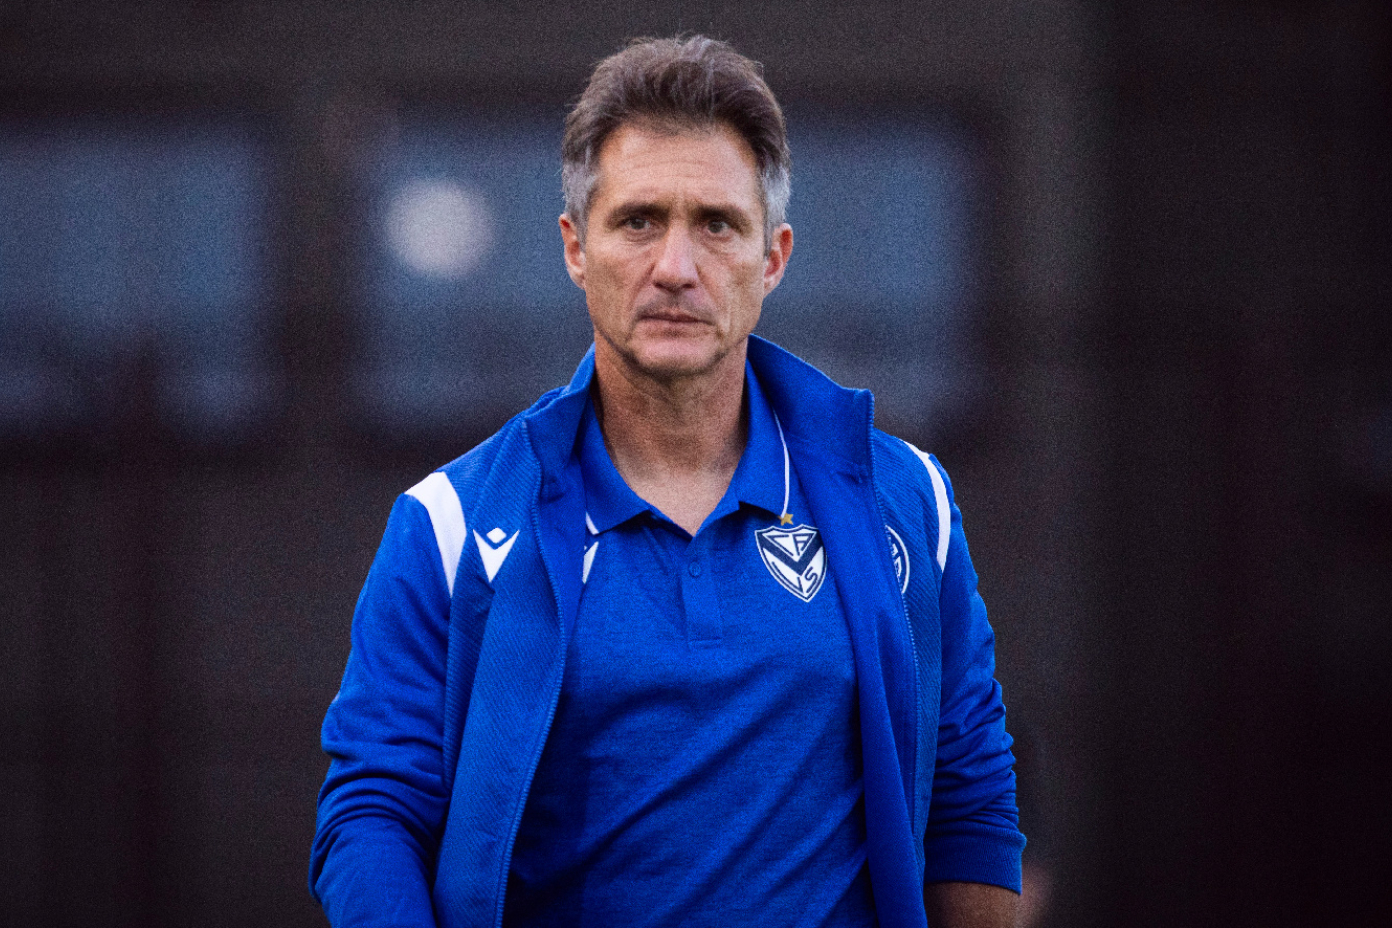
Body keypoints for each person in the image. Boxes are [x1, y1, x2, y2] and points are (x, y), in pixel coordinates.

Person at [311, 35, 1024, 928]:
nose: (676, 269)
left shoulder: (908, 501)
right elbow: (373, 815)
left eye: (716, 225)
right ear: (576, 247)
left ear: (773, 258)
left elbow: (968, 801)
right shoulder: (450, 526)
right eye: (639, 221)